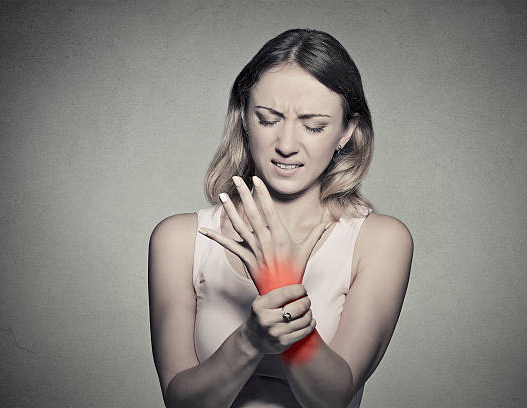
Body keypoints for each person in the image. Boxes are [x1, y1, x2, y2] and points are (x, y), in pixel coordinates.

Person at [148, 28, 413, 408]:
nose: (287, 145)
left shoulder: (379, 241)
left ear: (347, 132)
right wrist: (251, 340)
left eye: (313, 125)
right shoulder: (179, 240)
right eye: (268, 119)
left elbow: (332, 398)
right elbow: (181, 403)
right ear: (243, 117)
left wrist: (282, 290)